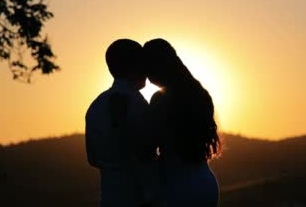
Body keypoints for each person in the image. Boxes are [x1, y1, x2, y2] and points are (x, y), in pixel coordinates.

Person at [144, 38, 221, 206]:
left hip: (179, 188)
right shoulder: (200, 93)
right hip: (206, 183)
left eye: (148, 69)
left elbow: (148, 144)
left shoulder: (160, 99)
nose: (147, 78)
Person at [85, 39, 158, 206]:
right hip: (138, 198)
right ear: (132, 65)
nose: (146, 70)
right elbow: (144, 153)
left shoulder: (95, 106)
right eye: (142, 63)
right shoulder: (138, 104)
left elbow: (92, 159)